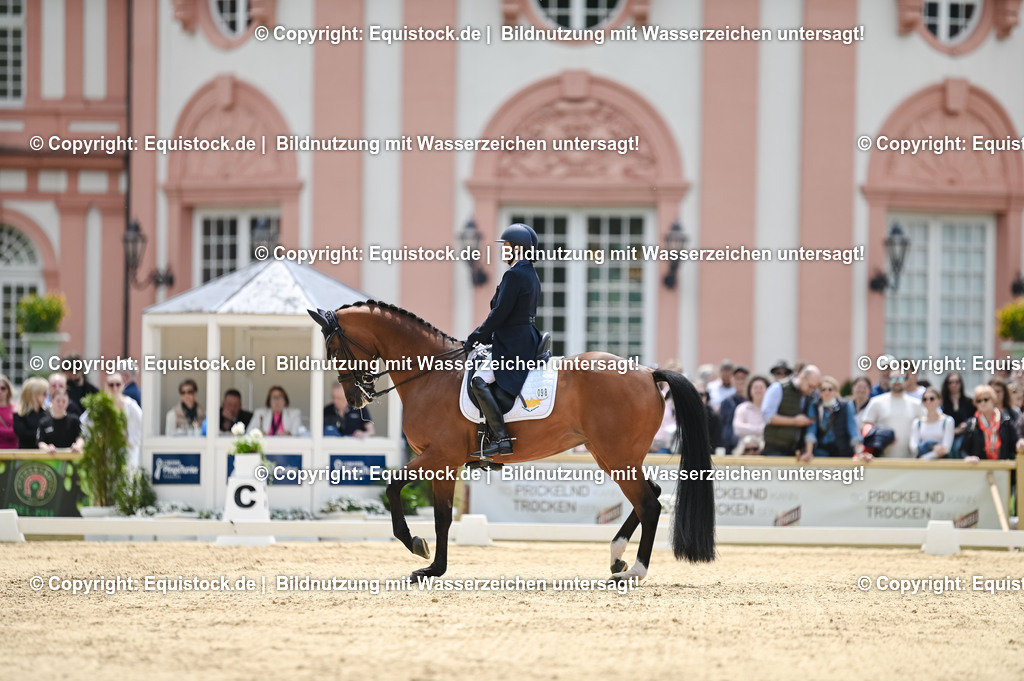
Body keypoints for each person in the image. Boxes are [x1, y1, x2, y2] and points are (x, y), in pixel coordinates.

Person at [463, 223, 542, 461]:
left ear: (519, 249)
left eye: (506, 246)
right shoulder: (530, 273)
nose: (503, 250)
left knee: (478, 380)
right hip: (523, 337)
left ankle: (501, 438)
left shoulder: (515, 274)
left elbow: (499, 314)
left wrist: (476, 336)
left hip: (513, 343)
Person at [81, 372, 143, 469]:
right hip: (105, 456)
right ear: (105, 386)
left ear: (123, 386)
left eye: (118, 384)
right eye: (111, 385)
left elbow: (141, 426)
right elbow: (84, 422)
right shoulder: (99, 405)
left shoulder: (130, 405)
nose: (115, 388)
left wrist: (128, 441)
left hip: (126, 455)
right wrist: (95, 440)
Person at [861, 369, 924, 458]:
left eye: (901, 379)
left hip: (910, 460)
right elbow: (866, 428)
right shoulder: (876, 402)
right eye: (893, 379)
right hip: (881, 460)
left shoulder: (916, 404)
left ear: (906, 381)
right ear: (889, 381)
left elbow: (925, 427)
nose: (897, 382)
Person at [761, 365, 820, 456]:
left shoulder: (811, 396)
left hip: (796, 451)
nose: (811, 390)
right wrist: (794, 421)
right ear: (802, 377)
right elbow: (767, 416)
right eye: (810, 386)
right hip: (775, 449)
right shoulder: (778, 388)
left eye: (814, 387)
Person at [802, 375, 863, 460]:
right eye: (823, 389)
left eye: (830, 389)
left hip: (842, 452)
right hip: (821, 452)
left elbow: (853, 429)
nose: (827, 392)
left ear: (835, 391)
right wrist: (809, 452)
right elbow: (811, 430)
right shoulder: (814, 406)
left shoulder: (846, 405)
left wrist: (859, 453)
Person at [960, 385, 1018, 461]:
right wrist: (968, 458)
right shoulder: (972, 423)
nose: (982, 403)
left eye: (986, 399)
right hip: (980, 468)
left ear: (993, 400)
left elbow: (1014, 446)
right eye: (979, 400)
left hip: (1003, 468)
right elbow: (963, 450)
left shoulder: (1005, 421)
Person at [909, 387, 954, 459]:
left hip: (941, 463)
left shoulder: (948, 421)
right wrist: (932, 446)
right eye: (925, 399)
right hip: (922, 465)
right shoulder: (917, 422)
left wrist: (925, 457)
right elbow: (913, 447)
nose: (928, 402)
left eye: (932, 399)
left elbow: (946, 448)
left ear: (939, 400)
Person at [718, 365, 748, 449]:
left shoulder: (751, 402)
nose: (740, 381)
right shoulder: (727, 402)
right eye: (737, 378)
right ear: (733, 380)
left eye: (743, 378)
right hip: (729, 446)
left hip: (749, 447)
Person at [13, 377, 48, 449]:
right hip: (26, 456)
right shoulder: (19, 414)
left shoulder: (47, 413)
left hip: (46, 456)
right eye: (44, 393)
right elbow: (24, 435)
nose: (46, 396)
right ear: (34, 395)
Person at [733, 374, 768, 442]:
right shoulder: (742, 408)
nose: (758, 390)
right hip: (745, 448)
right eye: (755, 387)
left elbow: (770, 431)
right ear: (750, 390)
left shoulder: (772, 410)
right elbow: (738, 429)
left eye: (761, 388)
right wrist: (760, 429)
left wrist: (749, 428)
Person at [696, 381, 723, 452]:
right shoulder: (685, 415)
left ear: (706, 397)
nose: (698, 397)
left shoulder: (714, 417)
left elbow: (717, 442)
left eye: (701, 395)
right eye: (695, 394)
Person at [0, 374, 18, 449]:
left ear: (8, 390)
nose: (0, 391)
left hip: (13, 452)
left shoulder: (16, 409)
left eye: (3, 388)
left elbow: (17, 432)